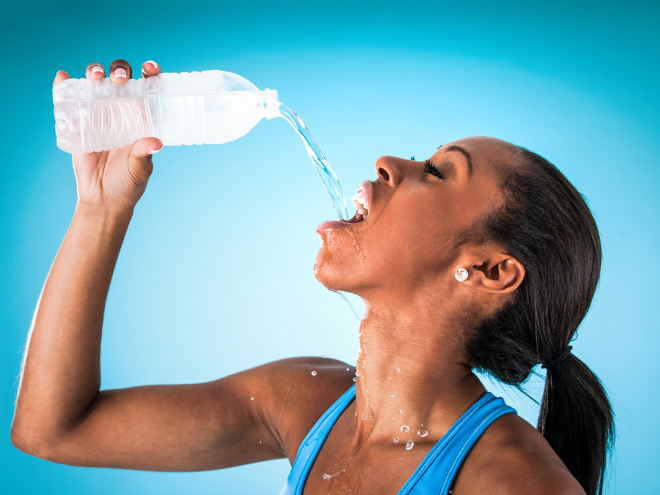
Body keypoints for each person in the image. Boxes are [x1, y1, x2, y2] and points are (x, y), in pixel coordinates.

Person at [11, 59, 614, 495]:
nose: (389, 162)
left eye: (436, 171)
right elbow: (57, 429)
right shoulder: (306, 402)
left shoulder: (513, 484)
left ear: (487, 270)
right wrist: (101, 208)